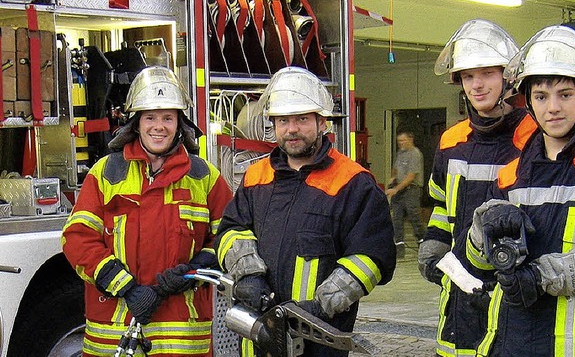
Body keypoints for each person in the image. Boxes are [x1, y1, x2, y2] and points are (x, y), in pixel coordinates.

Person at [467, 25, 575, 356]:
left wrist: (543, 276)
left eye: (565, 94)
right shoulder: (510, 176)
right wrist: (482, 229)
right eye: (541, 96)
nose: (553, 108)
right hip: (512, 346)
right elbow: (479, 264)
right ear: (529, 103)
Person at [214, 66, 396, 356]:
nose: (292, 129)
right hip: (258, 339)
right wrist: (248, 274)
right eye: (283, 120)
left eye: (301, 118)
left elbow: (373, 257)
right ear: (272, 124)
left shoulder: (353, 183)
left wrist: (319, 306)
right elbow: (230, 231)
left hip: (319, 340)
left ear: (322, 121)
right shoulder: (256, 176)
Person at [62, 66, 232, 356]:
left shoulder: (205, 177)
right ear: (136, 122)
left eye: (168, 117)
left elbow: (230, 239)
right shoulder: (106, 173)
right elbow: (77, 238)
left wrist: (190, 271)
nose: (158, 126)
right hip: (115, 333)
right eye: (150, 117)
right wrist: (125, 287)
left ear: (180, 123)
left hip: (183, 340)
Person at [418, 19, 537, 356]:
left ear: (508, 78)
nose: (477, 85)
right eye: (468, 76)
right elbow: (442, 204)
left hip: (514, 287)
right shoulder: (451, 140)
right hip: (460, 284)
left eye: (486, 74)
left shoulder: (534, 138)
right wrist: (435, 241)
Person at [386, 130, 425, 259]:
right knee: (396, 218)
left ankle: (423, 245)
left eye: (403, 141)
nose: (401, 143)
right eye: (399, 141)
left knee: (414, 217)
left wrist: (396, 189)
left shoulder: (415, 154)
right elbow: (396, 168)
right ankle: (399, 248)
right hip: (399, 189)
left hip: (411, 189)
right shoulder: (400, 153)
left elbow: (411, 176)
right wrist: (393, 178)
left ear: (411, 139)